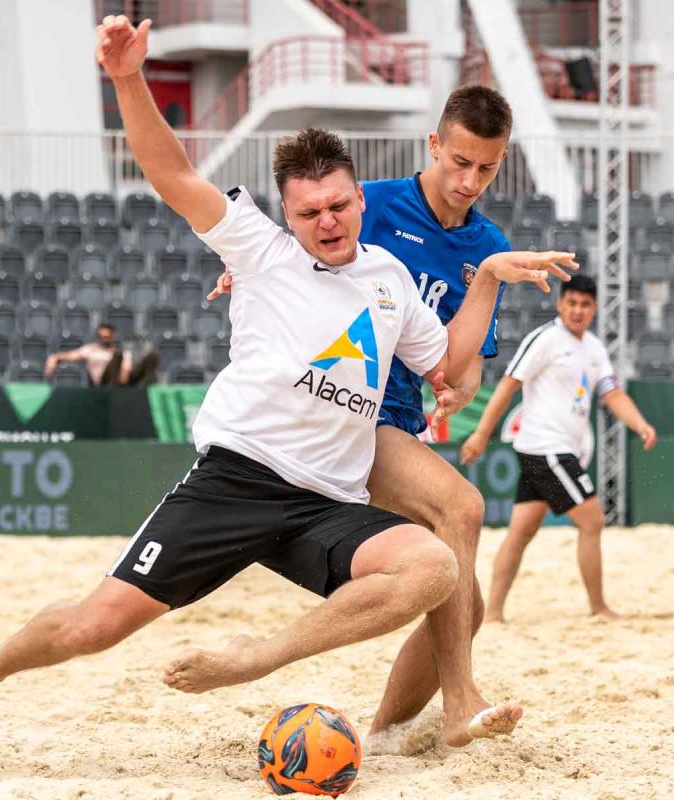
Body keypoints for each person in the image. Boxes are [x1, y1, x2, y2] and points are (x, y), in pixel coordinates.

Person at [0, 16, 574, 735]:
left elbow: (448, 365)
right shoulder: (260, 249)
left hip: (325, 501)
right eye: (309, 212)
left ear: (361, 202)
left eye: (338, 207)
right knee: (95, 626)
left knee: (436, 570)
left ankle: (261, 659)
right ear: (286, 214)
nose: (328, 222)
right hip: (237, 483)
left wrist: (488, 278)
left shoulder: (390, 279)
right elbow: (172, 174)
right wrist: (128, 78)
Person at [210, 86, 519, 745]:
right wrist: (245, 275)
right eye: (460, 162)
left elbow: (466, 359)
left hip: (406, 419)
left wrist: (463, 388)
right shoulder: (366, 202)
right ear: (434, 145)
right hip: (351, 413)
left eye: (487, 168)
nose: (470, 181)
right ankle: (461, 702)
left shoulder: (488, 244)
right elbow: (292, 253)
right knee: (461, 508)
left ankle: (383, 736)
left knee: (463, 606)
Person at [461, 275, 657, 621]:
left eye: (585, 305)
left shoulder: (595, 348)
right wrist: (480, 434)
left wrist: (640, 423)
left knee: (520, 532)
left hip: (553, 449)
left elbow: (612, 394)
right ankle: (599, 608)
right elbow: (508, 385)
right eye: (572, 303)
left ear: (595, 309)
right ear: (560, 304)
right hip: (546, 448)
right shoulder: (546, 339)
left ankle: (493, 613)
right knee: (593, 520)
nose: (577, 310)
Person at [44, 322, 158, 386]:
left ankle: (147, 388)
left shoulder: (121, 352)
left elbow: (125, 371)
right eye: (101, 337)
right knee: (117, 357)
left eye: (107, 337)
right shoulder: (90, 350)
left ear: (112, 336)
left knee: (152, 357)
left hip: (122, 381)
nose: (104, 339)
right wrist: (54, 358)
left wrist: (124, 377)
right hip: (102, 382)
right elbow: (70, 356)